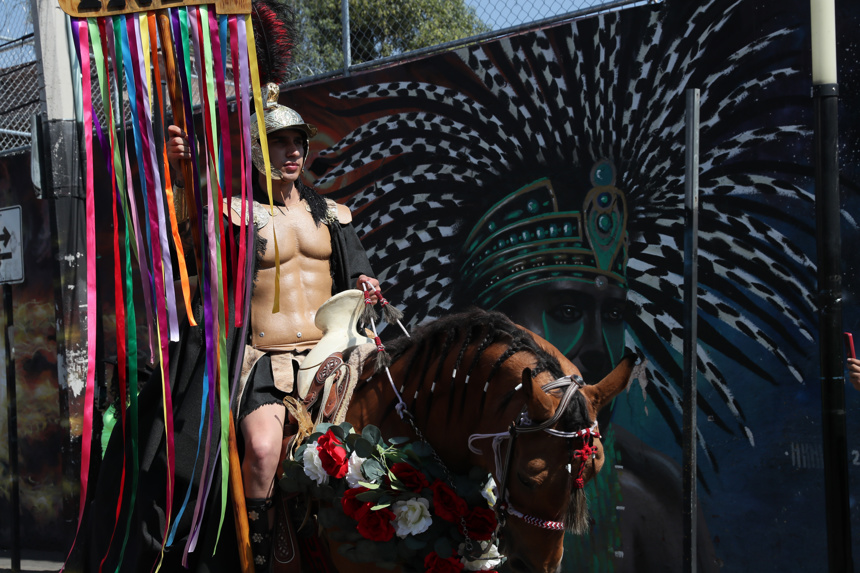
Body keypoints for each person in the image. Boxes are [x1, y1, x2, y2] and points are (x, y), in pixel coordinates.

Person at [165, 82, 379, 572]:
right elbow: (186, 245)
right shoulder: (235, 214)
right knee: (261, 452)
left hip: (334, 354)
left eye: (298, 142)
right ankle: (257, 561)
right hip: (265, 361)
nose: (293, 151)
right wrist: (180, 176)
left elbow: (357, 270)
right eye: (280, 142)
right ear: (258, 150)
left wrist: (367, 282)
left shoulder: (332, 215)